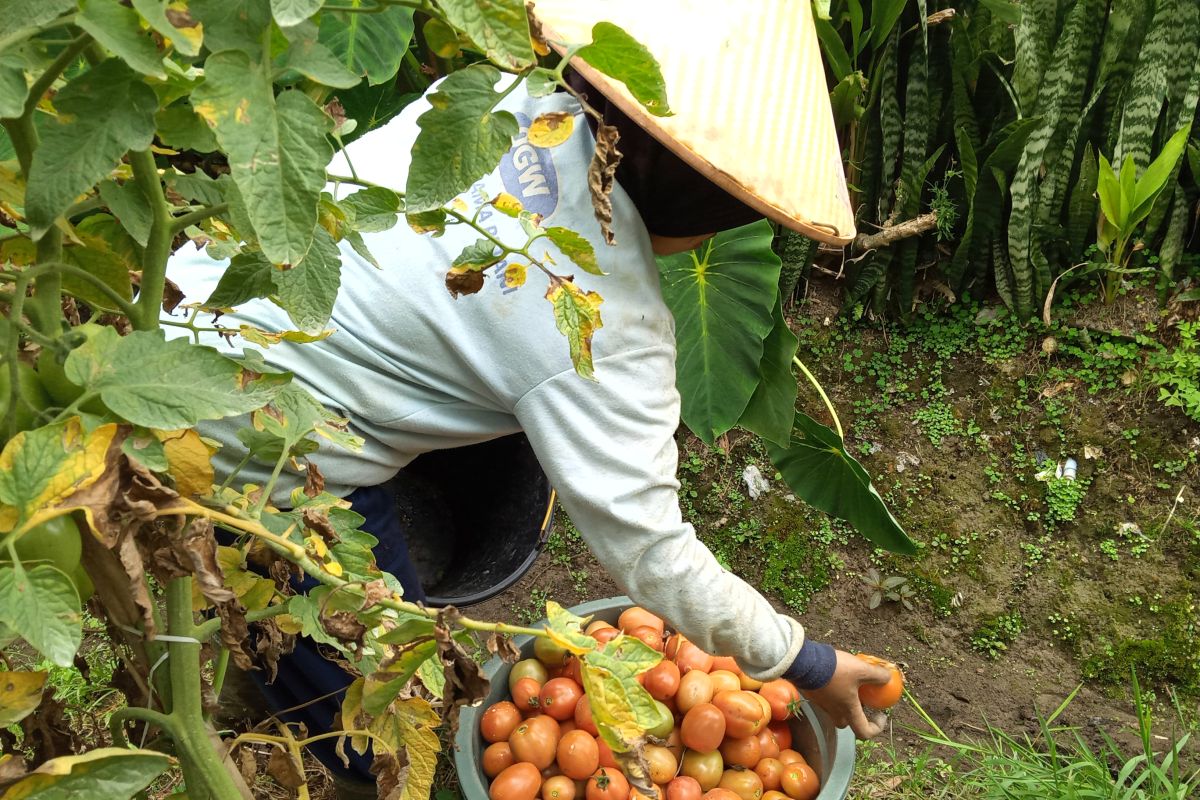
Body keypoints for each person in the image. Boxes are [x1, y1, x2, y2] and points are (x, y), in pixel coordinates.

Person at [164, 2, 891, 794]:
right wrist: (808, 662)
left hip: (197, 309)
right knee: (381, 683)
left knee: (288, 601)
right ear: (710, 203)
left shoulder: (506, 98)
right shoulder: (606, 327)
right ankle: (348, 755)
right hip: (258, 437)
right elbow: (654, 554)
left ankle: (269, 658)